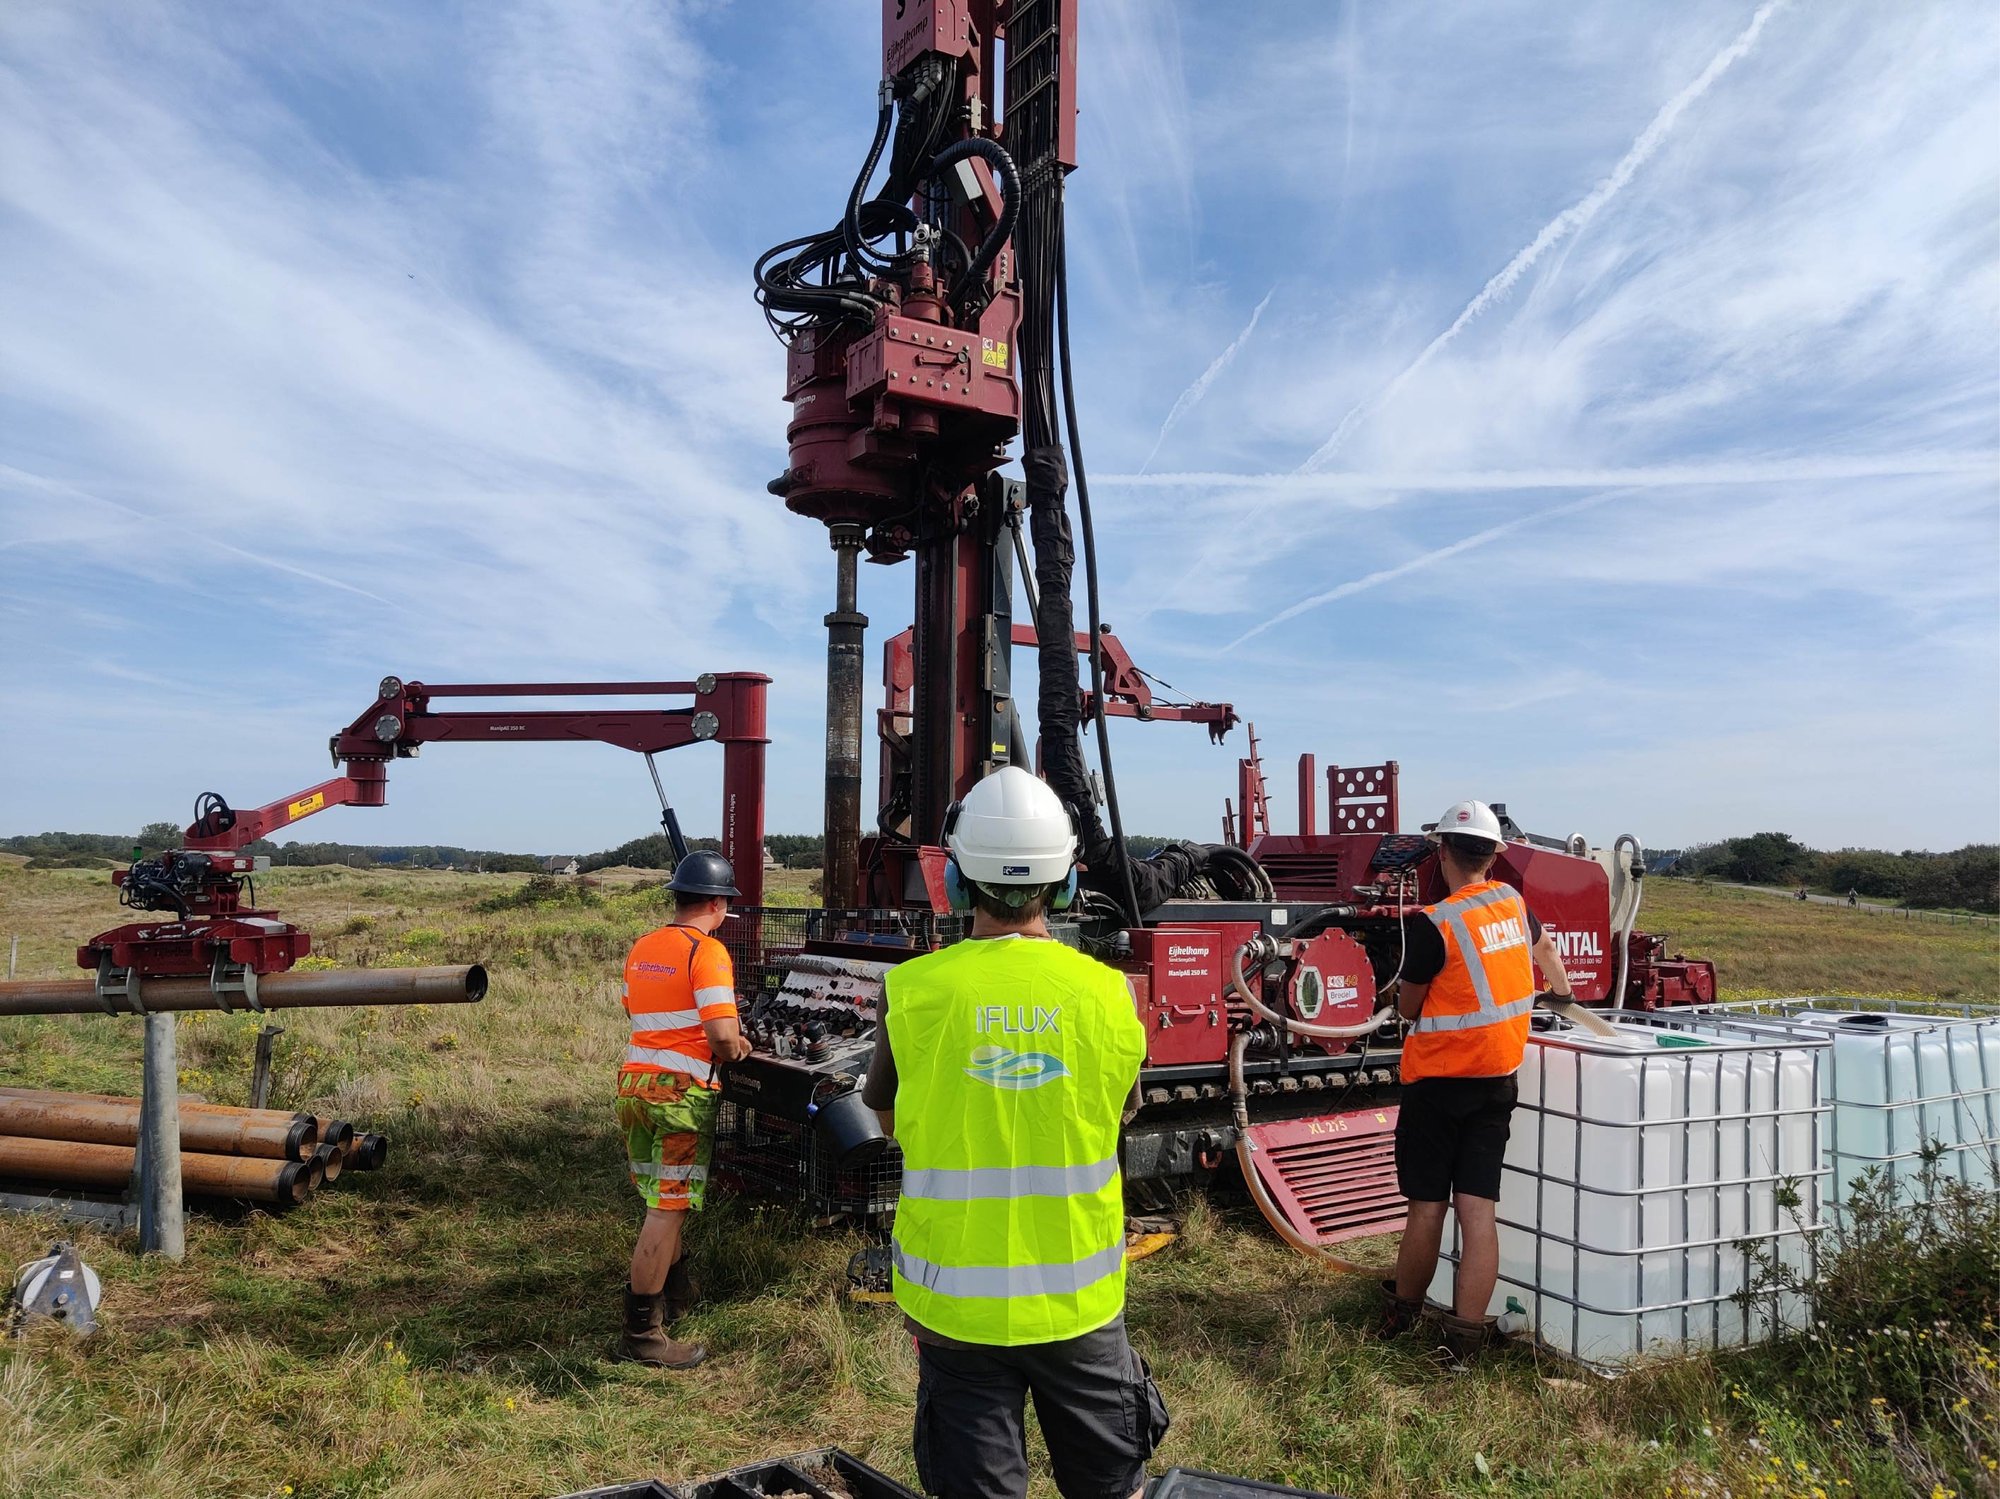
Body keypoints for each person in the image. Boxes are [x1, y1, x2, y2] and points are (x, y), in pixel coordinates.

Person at [861, 766, 1168, 1499]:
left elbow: (885, 1116)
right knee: (1108, 1487)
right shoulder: (1106, 992)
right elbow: (1122, 1109)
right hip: (1080, 1302)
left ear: (959, 882)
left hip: (954, 1307)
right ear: (1063, 884)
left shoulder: (916, 991)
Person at [1378, 800, 1573, 1368]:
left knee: (1427, 1208)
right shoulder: (1513, 903)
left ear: (1441, 854)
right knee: (1477, 1210)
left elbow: (1410, 1008)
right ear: (1494, 855)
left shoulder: (1433, 924)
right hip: (1496, 1082)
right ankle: (1462, 1343)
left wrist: (1394, 998)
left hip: (1437, 1085)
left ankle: (1401, 1317)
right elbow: (1546, 954)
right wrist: (1560, 992)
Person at [613, 850, 753, 1368]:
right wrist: (739, 1048)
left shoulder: (644, 945)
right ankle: (643, 1335)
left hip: (635, 1087)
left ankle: (677, 1296)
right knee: (665, 1209)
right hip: (679, 1096)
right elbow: (720, 1034)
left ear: (678, 897)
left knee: (658, 1198)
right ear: (718, 903)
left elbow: (635, 1009)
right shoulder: (708, 952)